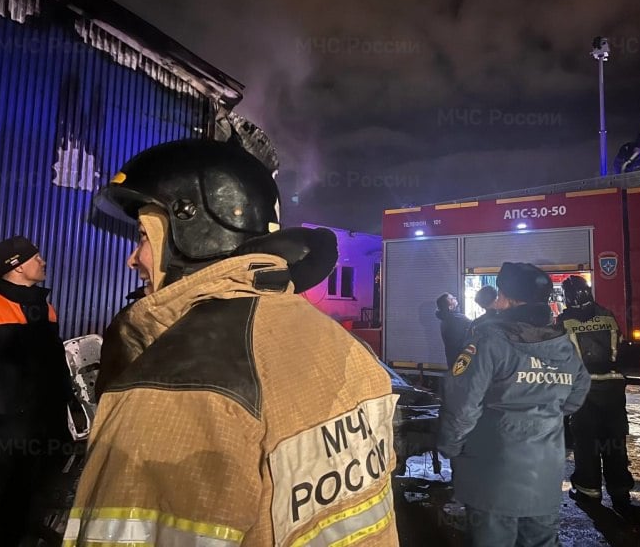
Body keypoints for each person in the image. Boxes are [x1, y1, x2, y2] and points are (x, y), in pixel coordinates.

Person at [65, 138, 400, 546]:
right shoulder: (340, 345)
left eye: (143, 236)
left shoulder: (172, 386)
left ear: (193, 232)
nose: (133, 259)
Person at [438, 263, 591, 546]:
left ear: (506, 299)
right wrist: (542, 413)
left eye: (500, 294)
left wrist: (451, 446)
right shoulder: (563, 344)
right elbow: (576, 396)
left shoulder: (487, 341)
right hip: (544, 477)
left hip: (492, 477)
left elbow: (462, 405)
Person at [0, 236, 74, 545]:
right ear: (17, 267)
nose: (43, 262)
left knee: (27, 509)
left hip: (40, 431)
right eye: (36, 258)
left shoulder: (45, 309)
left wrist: (68, 403)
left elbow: (54, 364)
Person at [556, 275, 640, 519]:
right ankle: (621, 497)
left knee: (586, 445)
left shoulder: (564, 321)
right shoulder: (607, 315)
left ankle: (588, 494)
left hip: (583, 394)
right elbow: (622, 349)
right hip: (613, 392)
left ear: (567, 298)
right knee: (615, 445)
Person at [436, 292, 471, 368]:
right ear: (450, 307)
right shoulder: (457, 318)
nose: (455, 298)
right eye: (452, 299)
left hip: (451, 357)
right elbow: (475, 325)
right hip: (461, 358)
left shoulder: (445, 319)